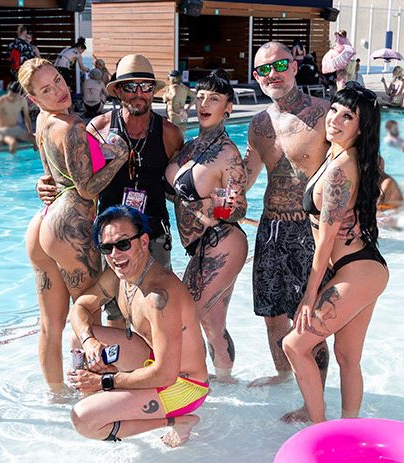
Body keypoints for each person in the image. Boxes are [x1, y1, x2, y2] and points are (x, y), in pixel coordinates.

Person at [36, 54, 184, 327]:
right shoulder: (98, 129)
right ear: (117, 91)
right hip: (111, 239)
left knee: (158, 309)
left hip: (153, 234)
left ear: (153, 90)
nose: (138, 93)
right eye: (130, 86)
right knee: (115, 312)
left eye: (146, 86)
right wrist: (45, 184)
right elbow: (75, 178)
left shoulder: (170, 133)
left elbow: (178, 188)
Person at [18, 58, 129, 394]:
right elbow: (87, 189)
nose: (58, 91)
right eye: (46, 89)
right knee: (86, 318)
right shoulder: (73, 126)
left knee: (50, 324)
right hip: (71, 226)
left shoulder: (42, 121)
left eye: (57, 80)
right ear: (34, 98)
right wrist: (119, 158)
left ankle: (55, 394)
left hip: (43, 223)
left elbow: (52, 175)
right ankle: (88, 394)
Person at [282, 82, 389, 424]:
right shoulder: (341, 155)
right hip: (364, 268)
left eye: (347, 117)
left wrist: (309, 296)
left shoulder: (341, 167)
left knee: (294, 344)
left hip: (356, 270)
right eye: (334, 110)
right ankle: (349, 428)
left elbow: (326, 241)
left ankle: (318, 427)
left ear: (361, 127)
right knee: (347, 357)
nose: (335, 120)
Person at [245, 41, 343, 388]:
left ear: (295, 66)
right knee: (271, 314)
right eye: (264, 69)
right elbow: (247, 175)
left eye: (280, 65)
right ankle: (284, 376)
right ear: (257, 77)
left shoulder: (326, 114)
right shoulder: (259, 124)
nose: (273, 74)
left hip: (310, 230)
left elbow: (358, 164)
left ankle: (313, 396)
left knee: (310, 320)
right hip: (270, 228)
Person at [68, 205, 208, 447]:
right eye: (107, 248)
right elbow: (80, 307)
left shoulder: (160, 297)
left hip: (184, 385)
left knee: (83, 419)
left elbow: (165, 374)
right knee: (78, 338)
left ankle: (177, 421)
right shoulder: (119, 277)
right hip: (154, 360)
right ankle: (100, 399)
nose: (115, 254)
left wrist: (105, 381)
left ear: (143, 242)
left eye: (123, 244)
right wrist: (89, 342)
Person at [165, 70, 248, 383]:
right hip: (198, 245)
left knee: (184, 314)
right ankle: (226, 382)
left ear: (228, 108)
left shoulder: (227, 154)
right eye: (200, 97)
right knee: (212, 324)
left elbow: (239, 207)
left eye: (214, 98)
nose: (204, 103)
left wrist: (217, 209)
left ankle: (187, 384)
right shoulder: (189, 147)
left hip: (222, 240)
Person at [0, 81, 34, 154]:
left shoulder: (22, 100)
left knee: (36, 140)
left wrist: (30, 133)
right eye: (10, 95)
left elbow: (27, 118)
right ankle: (12, 161)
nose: (12, 97)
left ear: (18, 94)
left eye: (14, 96)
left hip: (16, 130)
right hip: (4, 131)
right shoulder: (2, 100)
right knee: (13, 143)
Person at [163, 69, 195, 134]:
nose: (168, 80)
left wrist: (166, 97)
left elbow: (174, 94)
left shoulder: (172, 87)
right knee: (182, 134)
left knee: (172, 134)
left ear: (172, 78)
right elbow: (195, 97)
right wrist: (188, 108)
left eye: (168, 78)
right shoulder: (185, 88)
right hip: (183, 112)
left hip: (174, 112)